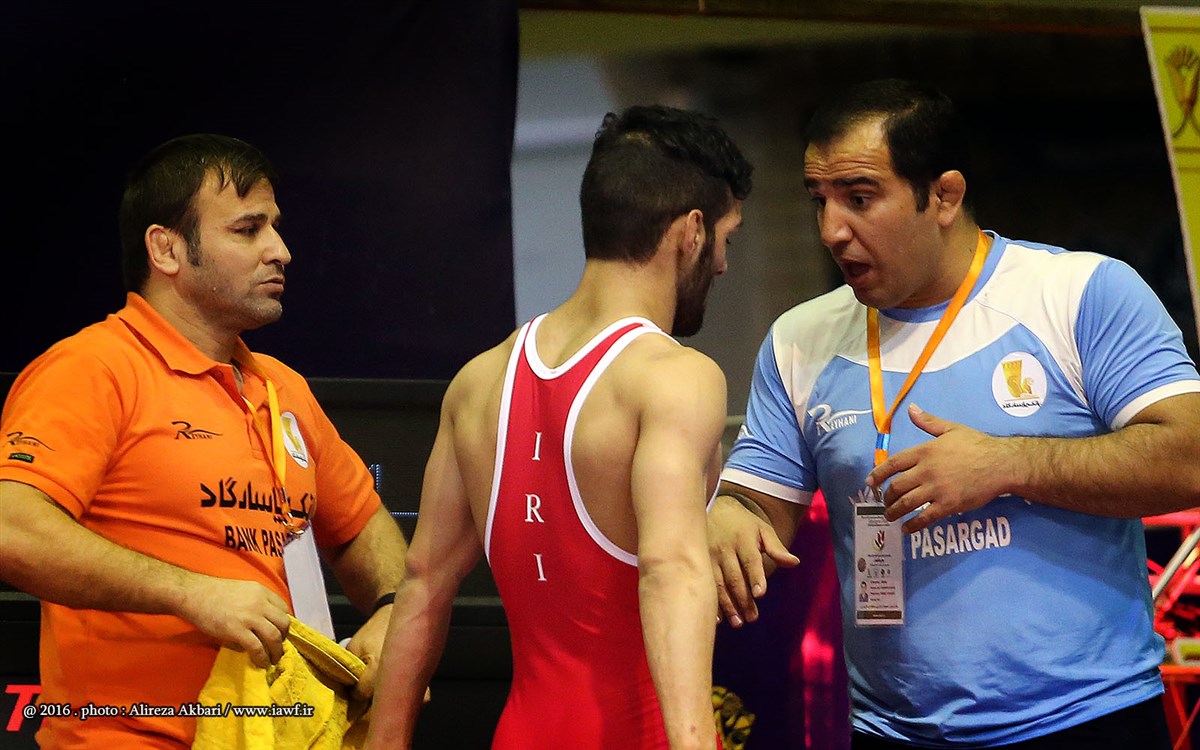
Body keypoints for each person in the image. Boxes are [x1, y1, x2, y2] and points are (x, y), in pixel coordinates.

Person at [708, 78, 1200, 748]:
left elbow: (1189, 457)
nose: (831, 230)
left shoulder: (1079, 292)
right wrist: (730, 516)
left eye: (859, 198)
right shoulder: (799, 339)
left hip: (1086, 718)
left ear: (944, 195)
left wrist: (1007, 464)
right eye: (819, 200)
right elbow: (759, 501)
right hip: (891, 731)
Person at [0, 133, 409, 749]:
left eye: (275, 228)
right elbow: (10, 527)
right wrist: (189, 593)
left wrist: (391, 609)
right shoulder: (93, 368)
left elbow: (362, 523)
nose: (281, 251)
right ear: (166, 249)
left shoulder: (282, 387)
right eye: (248, 230)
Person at [364, 105, 752, 750]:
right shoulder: (676, 378)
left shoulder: (478, 381)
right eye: (726, 240)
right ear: (691, 232)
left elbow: (423, 583)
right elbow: (671, 570)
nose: (722, 265)